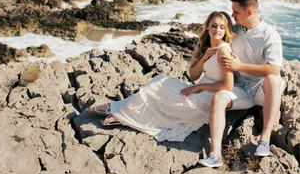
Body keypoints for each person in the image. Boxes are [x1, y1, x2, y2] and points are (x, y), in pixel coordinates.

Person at [87, 11, 240, 143]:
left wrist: (199, 86)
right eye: (214, 25)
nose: (217, 30)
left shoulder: (223, 50)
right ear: (207, 26)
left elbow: (228, 85)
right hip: (198, 91)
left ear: (226, 30)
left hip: (204, 100)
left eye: (222, 27)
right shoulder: (209, 48)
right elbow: (194, 75)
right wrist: (203, 58)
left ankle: (119, 113)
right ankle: (119, 110)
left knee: (155, 88)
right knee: (158, 81)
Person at [198, 0, 285, 168]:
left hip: (261, 90)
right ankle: (215, 155)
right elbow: (216, 39)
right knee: (219, 97)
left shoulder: (270, 35)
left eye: (236, 12)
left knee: (274, 80)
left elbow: (274, 68)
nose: (232, 15)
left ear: (249, 12)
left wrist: (240, 66)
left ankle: (264, 139)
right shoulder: (234, 30)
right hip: (240, 89)